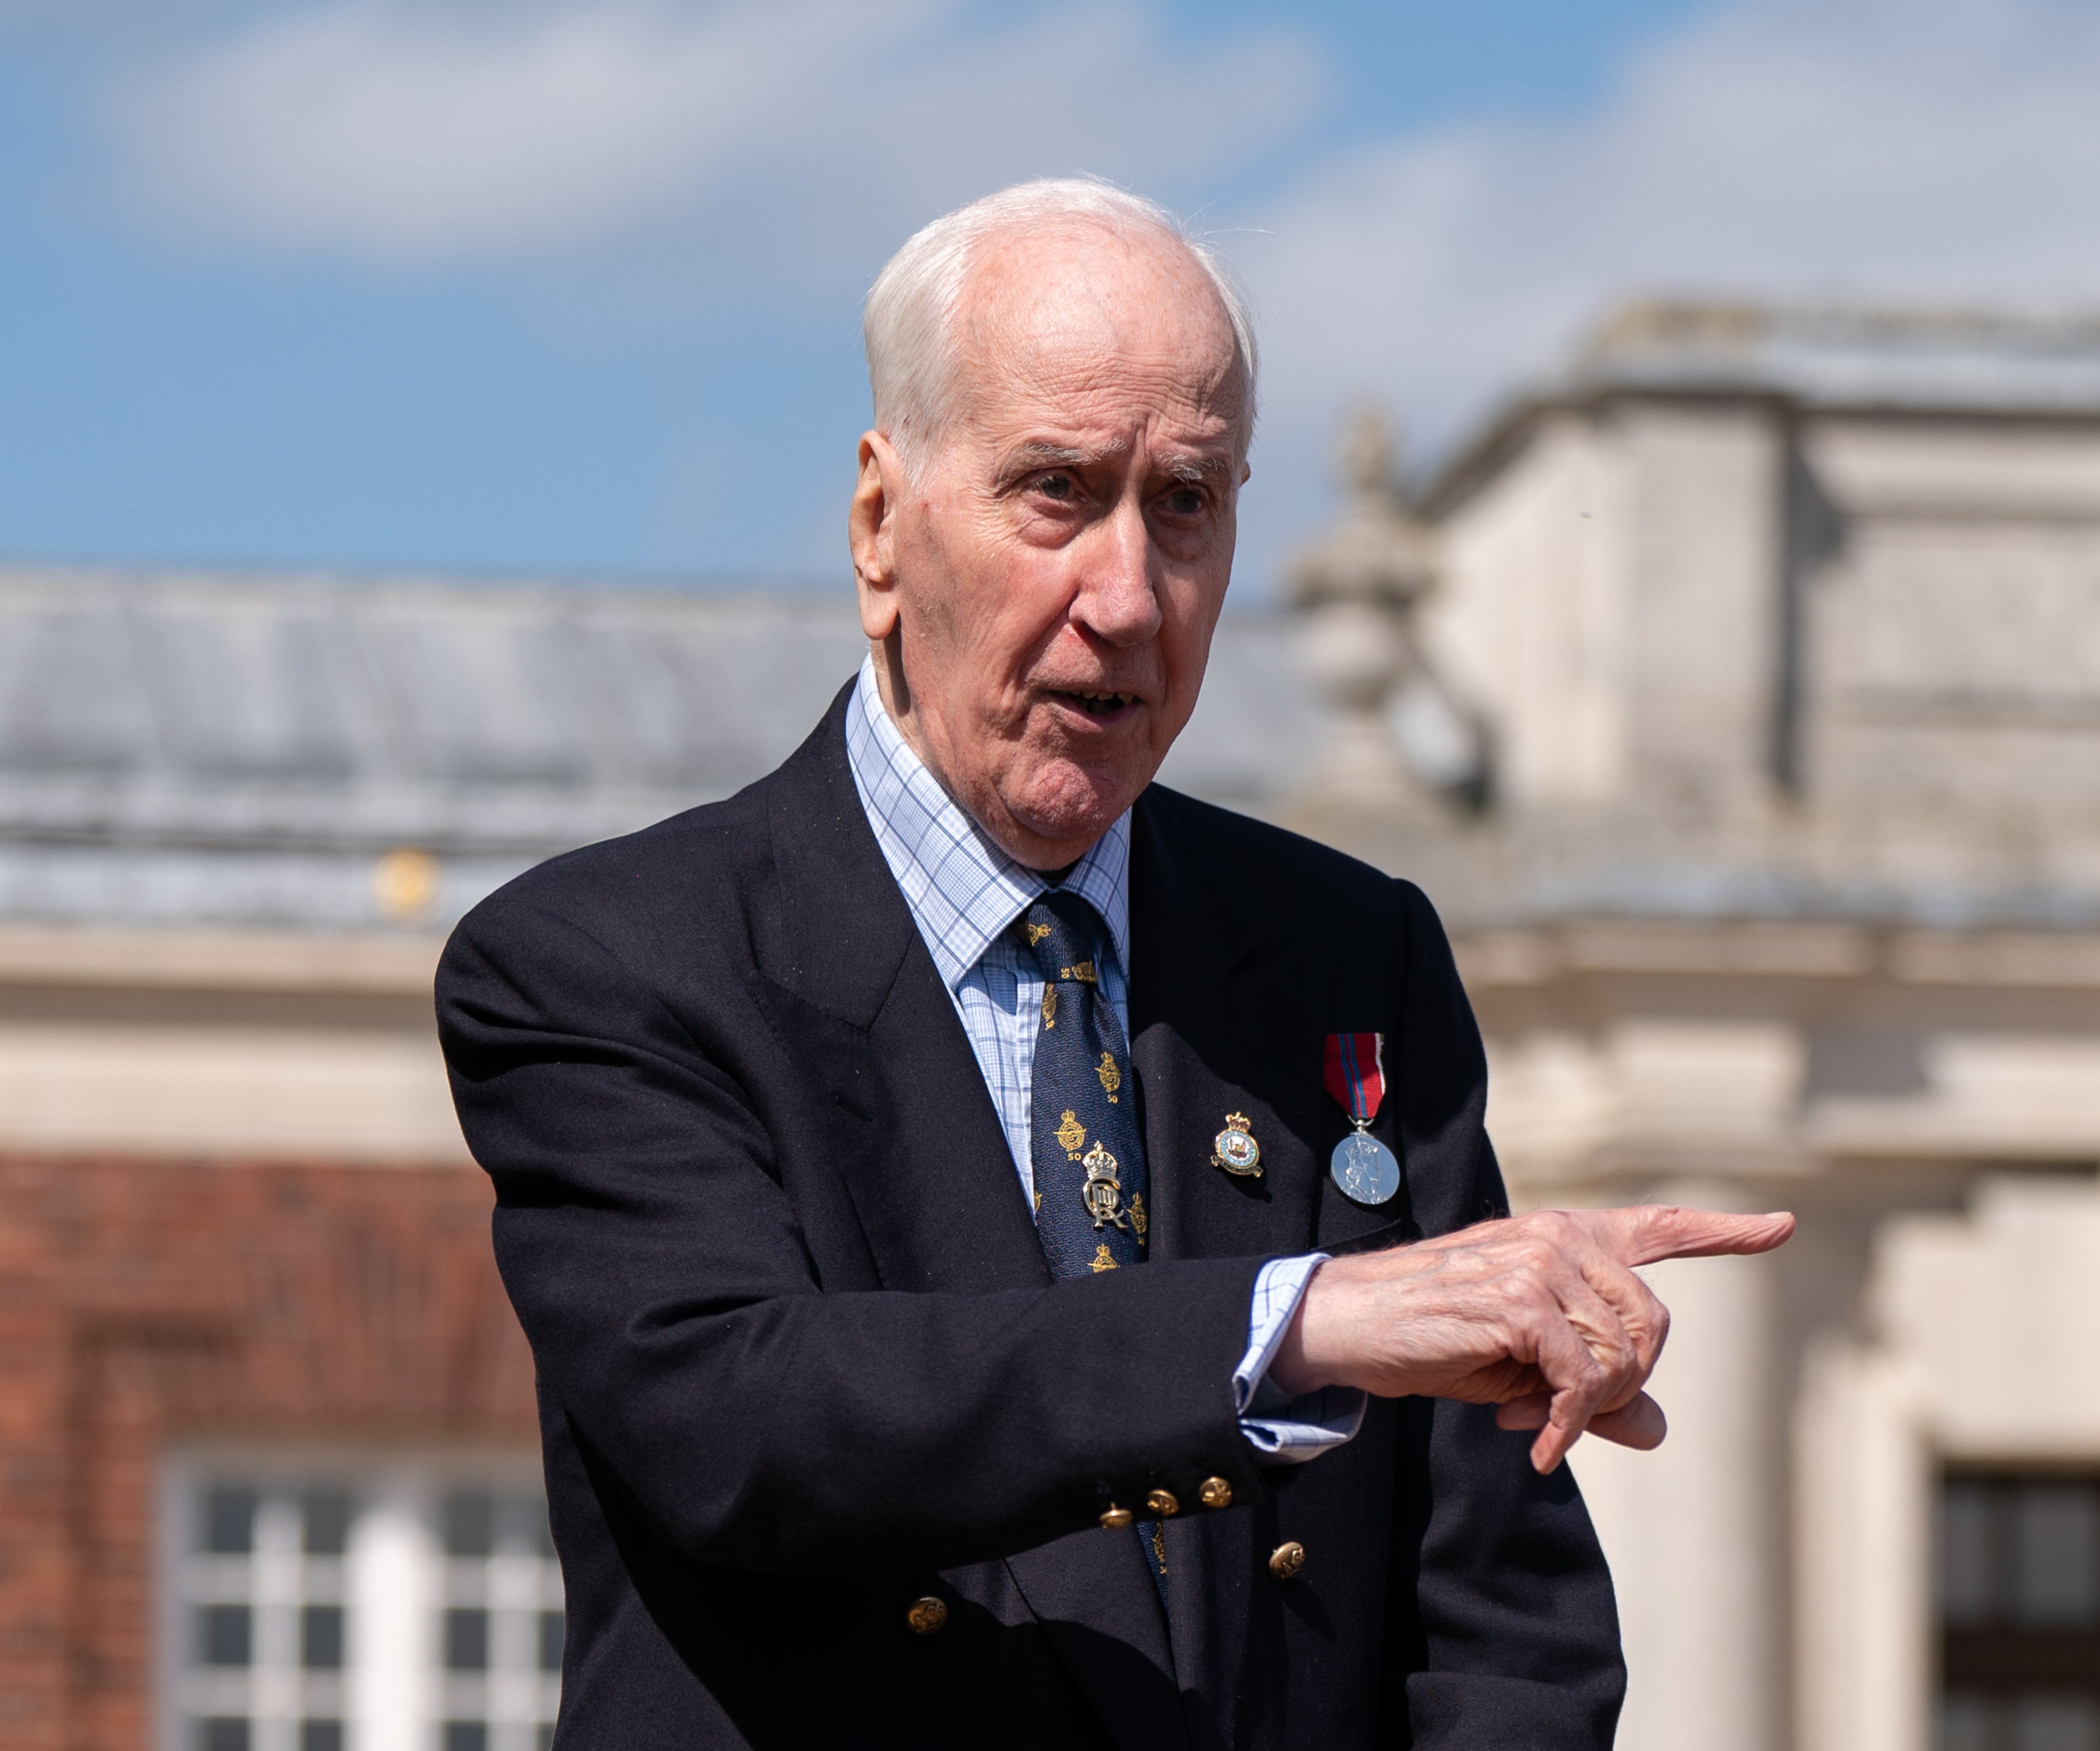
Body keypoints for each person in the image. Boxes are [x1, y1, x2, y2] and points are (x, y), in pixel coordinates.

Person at [437, 178, 1793, 1751]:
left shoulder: (1353, 957)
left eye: (1187, 502)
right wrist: (1298, 1324)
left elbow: (1507, 1624)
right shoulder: (608, 962)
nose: (1128, 595)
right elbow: (750, 1420)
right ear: (882, 526)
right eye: (1057, 492)